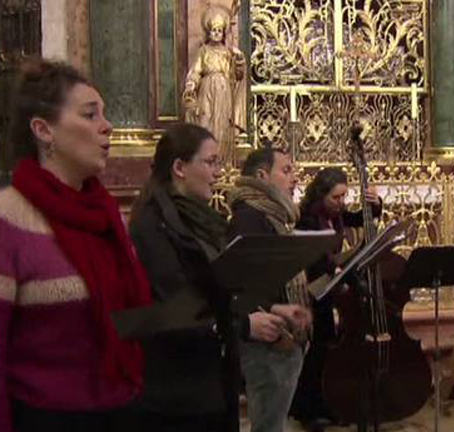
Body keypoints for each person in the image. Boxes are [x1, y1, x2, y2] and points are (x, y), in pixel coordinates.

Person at [0, 58, 151, 431]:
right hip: (46, 419)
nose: (107, 126)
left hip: (122, 409)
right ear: (43, 130)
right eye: (90, 114)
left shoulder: (105, 215)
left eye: (105, 114)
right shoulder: (9, 219)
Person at [127, 123, 294, 432]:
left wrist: (268, 308)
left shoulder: (201, 219)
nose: (218, 172)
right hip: (178, 386)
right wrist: (245, 325)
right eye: (211, 162)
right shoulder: (152, 225)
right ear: (180, 167)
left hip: (211, 377)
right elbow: (176, 306)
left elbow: (219, 288)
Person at [227, 147, 313, 432]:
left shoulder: (271, 215)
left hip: (279, 335)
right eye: (286, 170)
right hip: (268, 340)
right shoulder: (249, 218)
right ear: (262, 176)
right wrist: (276, 311)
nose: (295, 178)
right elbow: (241, 281)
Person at [290, 167, 381, 432]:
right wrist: (339, 268)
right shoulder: (308, 219)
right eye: (336, 197)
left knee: (327, 347)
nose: (341, 203)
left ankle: (324, 403)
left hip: (329, 288)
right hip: (313, 290)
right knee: (318, 350)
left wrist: (375, 204)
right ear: (321, 195)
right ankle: (307, 409)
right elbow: (313, 258)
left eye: (344, 196)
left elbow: (359, 217)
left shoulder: (335, 213)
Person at [183, 4, 247, 167]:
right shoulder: (203, 51)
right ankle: (205, 162)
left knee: (223, 127)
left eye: (219, 30)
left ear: (223, 33)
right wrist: (191, 85)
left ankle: (222, 164)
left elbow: (238, 76)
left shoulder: (228, 52)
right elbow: (196, 71)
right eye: (214, 30)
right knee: (205, 123)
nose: (217, 33)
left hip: (224, 93)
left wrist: (239, 59)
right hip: (206, 92)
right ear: (209, 32)